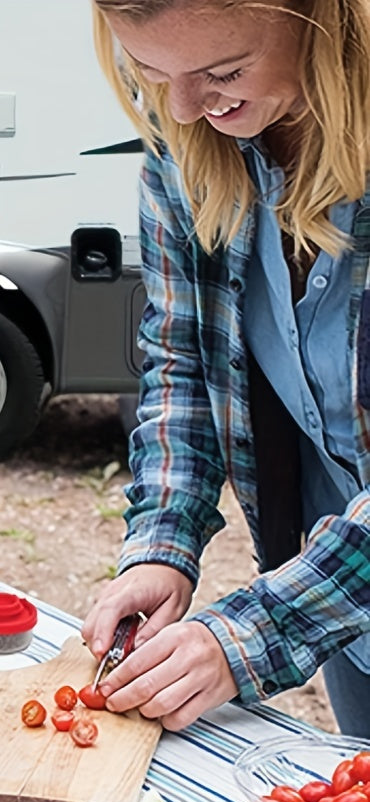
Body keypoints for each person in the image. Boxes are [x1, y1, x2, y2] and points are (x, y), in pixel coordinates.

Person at [80, 0, 370, 735]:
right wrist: (161, 547)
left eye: (223, 71)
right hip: (346, 603)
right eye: (149, 70)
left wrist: (242, 638)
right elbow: (182, 359)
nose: (181, 107)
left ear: (324, 19)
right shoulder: (186, 138)